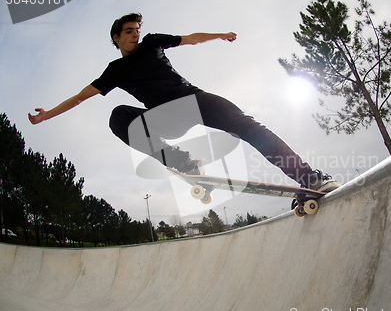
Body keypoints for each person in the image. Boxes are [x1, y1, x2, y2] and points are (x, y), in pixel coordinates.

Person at [29, 13, 340, 192]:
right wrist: (47, 116)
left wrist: (219, 35)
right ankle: (179, 160)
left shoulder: (152, 42)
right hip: (165, 117)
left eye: (137, 30)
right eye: (128, 32)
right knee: (118, 116)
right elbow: (82, 97)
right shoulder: (114, 71)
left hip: (194, 99)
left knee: (246, 125)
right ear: (115, 37)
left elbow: (190, 38)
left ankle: (309, 177)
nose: (136, 35)